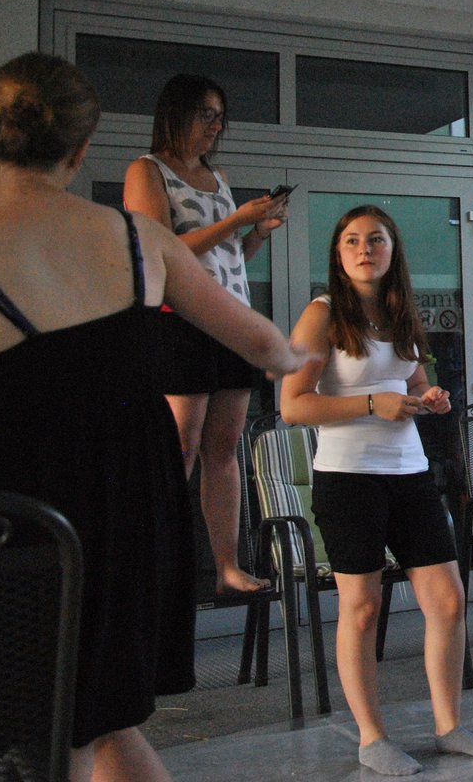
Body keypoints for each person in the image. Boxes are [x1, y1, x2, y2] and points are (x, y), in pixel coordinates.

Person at [0, 53, 309, 782]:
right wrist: (310, 357)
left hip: (28, 505)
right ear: (82, 148)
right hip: (137, 499)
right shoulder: (141, 240)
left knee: (57, 726)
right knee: (102, 716)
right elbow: (264, 345)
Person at [281, 206, 473, 775]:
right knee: (361, 608)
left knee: (448, 599)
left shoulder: (402, 311)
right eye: (352, 241)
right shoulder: (322, 315)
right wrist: (369, 403)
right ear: (338, 255)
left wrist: (429, 398)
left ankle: (448, 726)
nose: (365, 249)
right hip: (348, 477)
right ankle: (372, 737)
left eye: (375, 240)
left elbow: (416, 378)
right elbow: (293, 406)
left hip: (410, 471)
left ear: (391, 250)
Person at [123, 74, 289, 595]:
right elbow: (159, 250)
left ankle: (226, 567)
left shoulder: (218, 176)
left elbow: (230, 260)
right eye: (205, 114)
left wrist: (255, 231)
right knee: (180, 444)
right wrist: (235, 220)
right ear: (176, 114)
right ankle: (156, 563)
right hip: (179, 318)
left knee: (224, 447)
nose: (215, 126)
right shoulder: (147, 170)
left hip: (230, 319)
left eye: (219, 116)